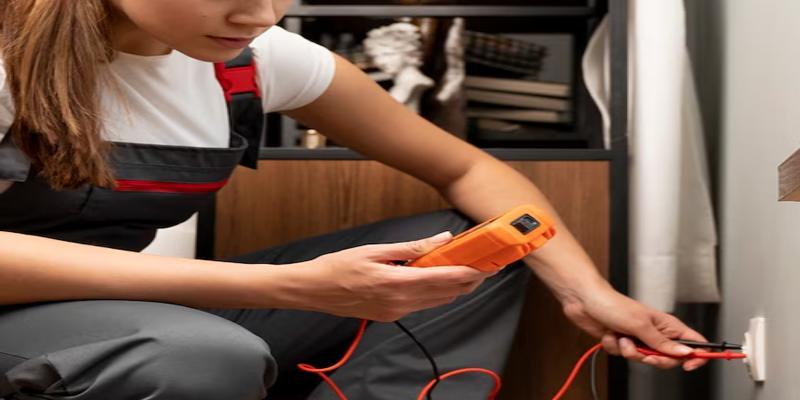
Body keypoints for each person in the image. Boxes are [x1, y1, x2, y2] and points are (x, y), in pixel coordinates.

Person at [0, 1, 709, 399]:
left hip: (112, 306)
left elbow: (466, 169)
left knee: (467, 251)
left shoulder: (256, 57)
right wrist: (288, 288)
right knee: (199, 355)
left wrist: (589, 294)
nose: (262, 11)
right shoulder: (9, 52)